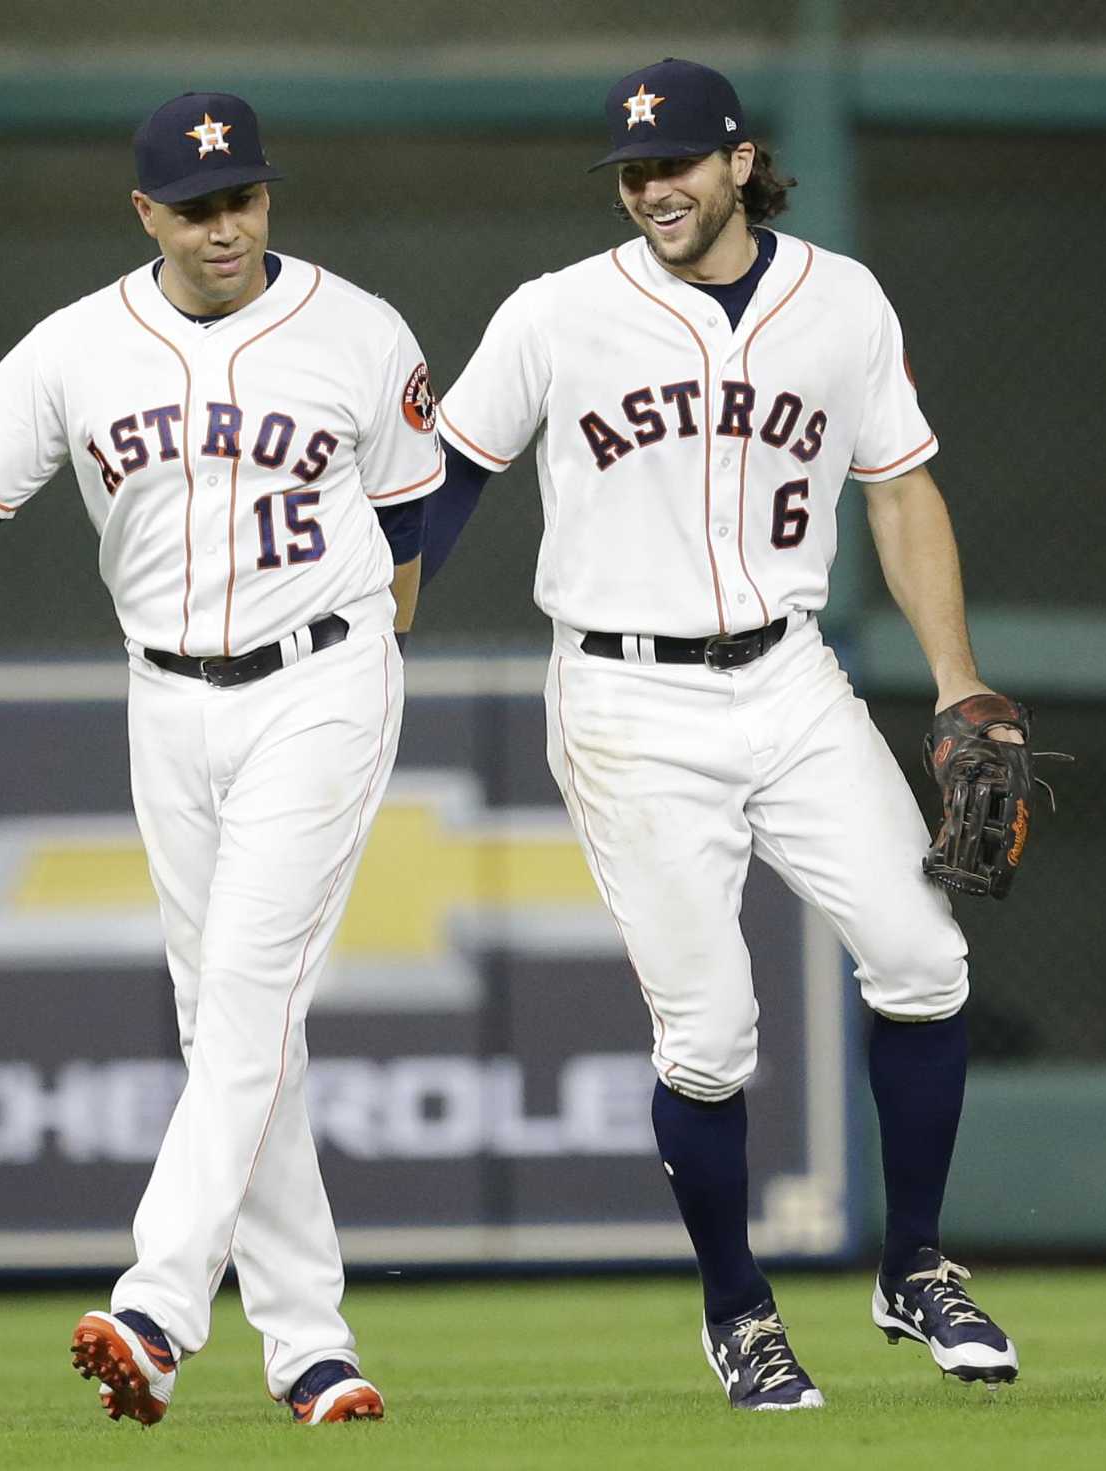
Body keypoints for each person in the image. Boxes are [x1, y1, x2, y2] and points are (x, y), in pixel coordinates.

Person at [0, 91, 443, 1427]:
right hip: (166, 699)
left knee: (245, 993)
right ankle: (313, 1349)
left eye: (242, 195)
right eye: (196, 205)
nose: (225, 222)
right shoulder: (77, 347)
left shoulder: (360, 331)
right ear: (146, 214)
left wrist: (362, 640)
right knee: (235, 1024)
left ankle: (157, 1308)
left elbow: (411, 536)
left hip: (322, 682)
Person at [423, 58, 1020, 1409]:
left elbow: (902, 490)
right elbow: (450, 481)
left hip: (792, 672)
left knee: (925, 958)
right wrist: (378, 626)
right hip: (627, 695)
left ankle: (914, 1263)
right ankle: (738, 1306)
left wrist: (960, 683)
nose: (653, 189)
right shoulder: (558, 313)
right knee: (712, 1035)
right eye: (633, 170)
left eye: (677, 164)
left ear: (740, 162)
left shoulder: (843, 300)